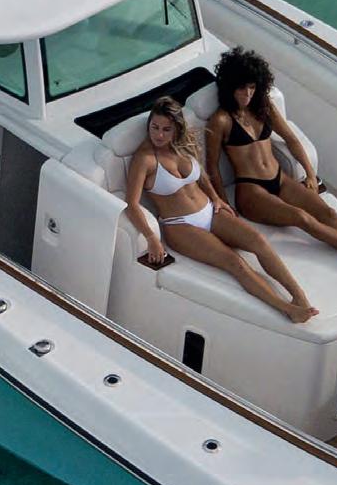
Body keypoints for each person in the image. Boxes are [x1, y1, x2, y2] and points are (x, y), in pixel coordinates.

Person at [206, 47, 337, 287]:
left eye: (252, 87)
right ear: (230, 86)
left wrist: (311, 174)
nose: (248, 94)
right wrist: (224, 206)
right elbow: (212, 167)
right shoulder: (220, 120)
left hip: (280, 178)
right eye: (242, 88)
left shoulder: (263, 107)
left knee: (328, 214)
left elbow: (292, 139)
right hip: (251, 191)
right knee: (301, 218)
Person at [124, 97, 318, 323]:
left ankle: (299, 295)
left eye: (166, 129)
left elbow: (201, 176)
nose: (159, 134)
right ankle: (286, 308)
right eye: (154, 127)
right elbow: (132, 204)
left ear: (176, 128)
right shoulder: (145, 159)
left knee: (259, 241)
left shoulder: (183, 145)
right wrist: (151, 238)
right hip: (180, 225)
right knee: (234, 262)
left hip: (209, 210)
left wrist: (216, 198)